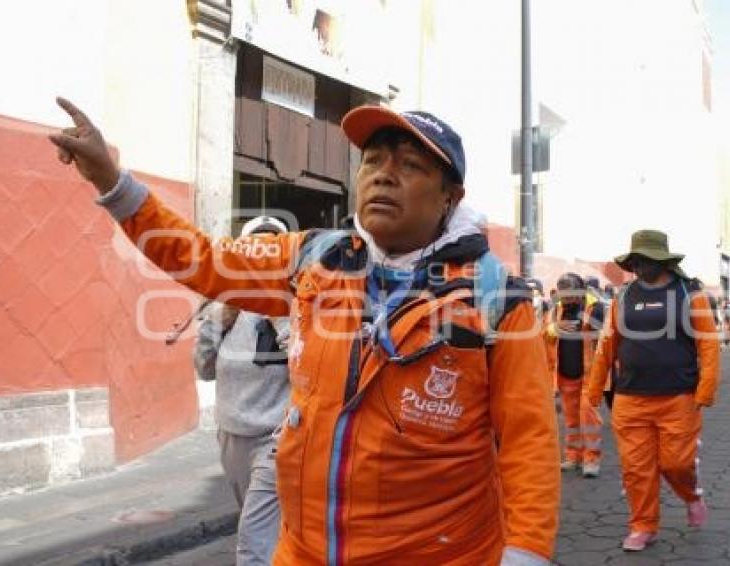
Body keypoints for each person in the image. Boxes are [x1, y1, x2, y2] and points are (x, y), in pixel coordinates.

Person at [50, 98, 560, 565]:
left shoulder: (497, 301)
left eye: (410, 165)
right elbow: (202, 259)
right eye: (373, 161)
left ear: (450, 196)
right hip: (304, 553)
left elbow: (528, 443)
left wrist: (525, 553)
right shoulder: (311, 258)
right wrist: (112, 182)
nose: (384, 176)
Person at [586, 230, 720, 552]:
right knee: (636, 469)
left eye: (644, 260)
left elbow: (709, 345)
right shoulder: (622, 297)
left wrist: (706, 389)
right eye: (634, 261)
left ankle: (691, 495)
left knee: (676, 464)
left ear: (662, 261)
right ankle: (643, 526)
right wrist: (594, 387)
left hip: (679, 397)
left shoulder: (691, 295)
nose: (638, 267)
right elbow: (607, 345)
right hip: (630, 398)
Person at [193, 216, 291, 566]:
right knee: (269, 536)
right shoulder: (226, 306)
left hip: (275, 441)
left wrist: (279, 312)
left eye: (272, 247)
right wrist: (219, 317)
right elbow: (203, 368)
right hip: (231, 436)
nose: (261, 255)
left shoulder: (297, 305)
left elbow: (309, 365)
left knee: (252, 543)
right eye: (254, 246)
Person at [554, 273, 603, 478]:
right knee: (571, 420)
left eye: (571, 296)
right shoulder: (557, 309)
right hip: (565, 372)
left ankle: (591, 458)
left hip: (588, 374)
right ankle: (573, 456)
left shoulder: (595, 308)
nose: (567, 300)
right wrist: (555, 328)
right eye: (563, 296)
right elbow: (542, 333)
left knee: (588, 416)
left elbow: (603, 335)